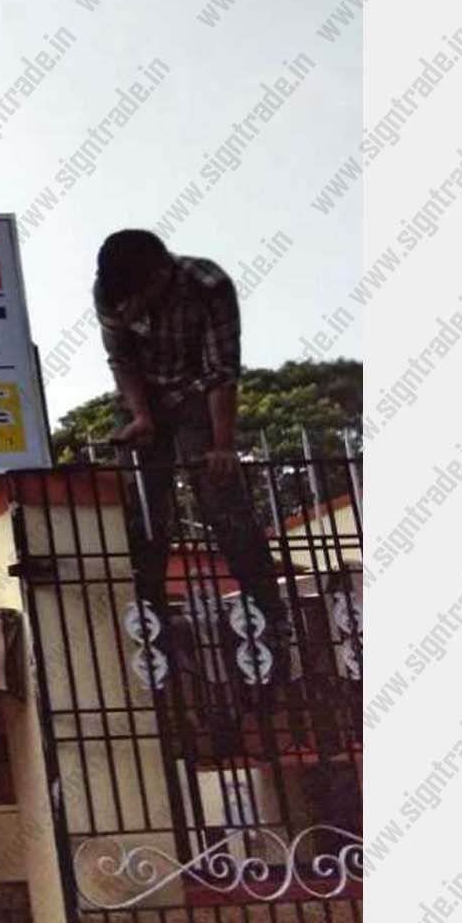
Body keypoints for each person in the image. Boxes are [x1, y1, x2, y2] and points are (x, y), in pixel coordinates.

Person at [94, 229, 287, 678]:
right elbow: (120, 360)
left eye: (136, 302)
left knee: (225, 505)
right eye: (122, 306)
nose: (129, 312)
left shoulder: (208, 285)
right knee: (143, 513)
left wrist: (222, 447)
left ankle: (268, 623)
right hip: (142, 393)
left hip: (200, 393)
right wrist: (141, 416)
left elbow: (223, 371)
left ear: (161, 277)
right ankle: (153, 632)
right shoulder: (109, 289)